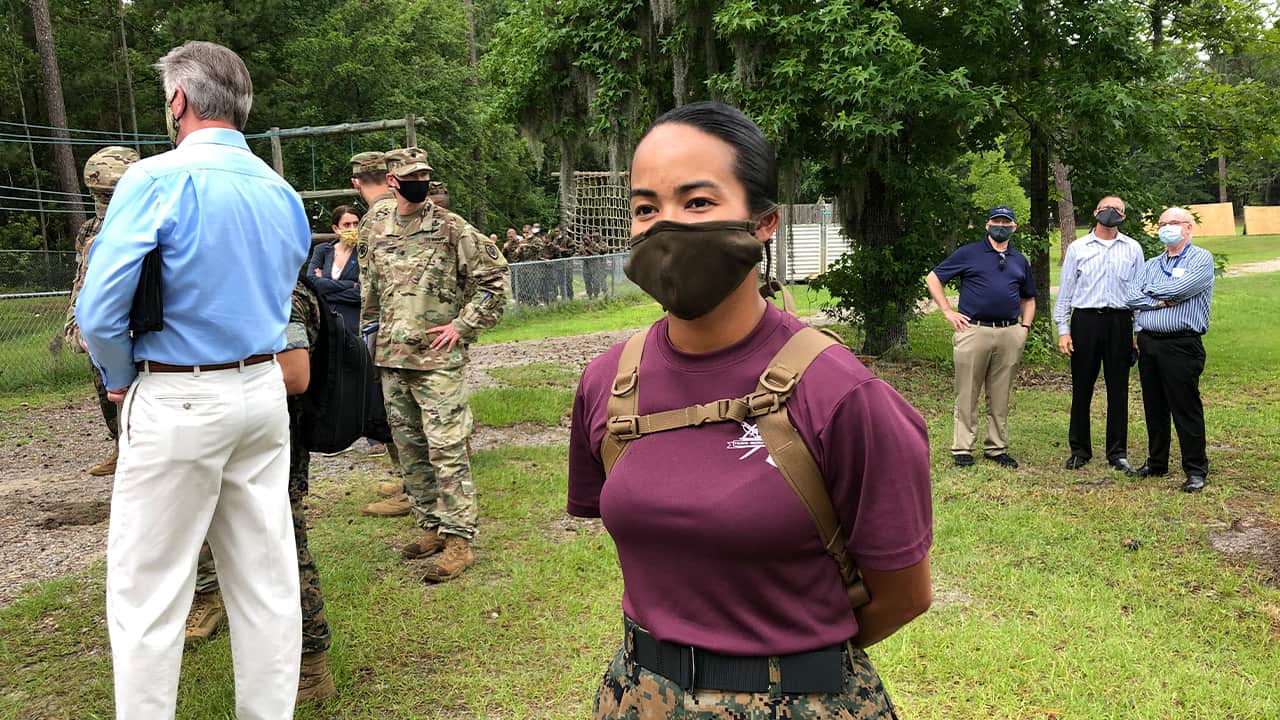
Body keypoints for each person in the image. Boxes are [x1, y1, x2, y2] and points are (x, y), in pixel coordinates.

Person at [568, 101, 931, 719]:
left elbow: (903, 594)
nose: (666, 227)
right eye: (646, 208)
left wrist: (770, 674)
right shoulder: (608, 381)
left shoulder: (841, 394)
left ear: (765, 222)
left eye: (698, 202)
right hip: (636, 697)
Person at [75, 41, 310, 719]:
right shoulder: (280, 191)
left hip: (178, 390)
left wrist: (119, 377)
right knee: (265, 581)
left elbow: (98, 310)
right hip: (261, 391)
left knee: (148, 590)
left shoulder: (154, 179)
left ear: (179, 100)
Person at [361, 147, 509, 581]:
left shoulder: (450, 228)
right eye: (410, 175)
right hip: (393, 357)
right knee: (409, 450)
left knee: (447, 449)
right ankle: (430, 526)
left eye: (424, 175)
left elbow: (493, 281)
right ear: (392, 180)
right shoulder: (376, 230)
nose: (419, 182)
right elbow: (371, 291)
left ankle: (459, 539)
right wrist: (369, 338)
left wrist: (462, 326)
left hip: (438, 361)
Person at [185, 279, 336, 704]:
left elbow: (295, 375)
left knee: (283, 545)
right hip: (226, 435)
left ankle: (310, 666)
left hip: (271, 442)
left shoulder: (276, 289)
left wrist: (217, 389)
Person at [925, 206, 1036, 468]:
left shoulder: (1019, 260)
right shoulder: (970, 253)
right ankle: (963, 447)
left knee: (1000, 394)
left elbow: (1029, 298)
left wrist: (1025, 328)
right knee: (967, 392)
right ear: (987, 225)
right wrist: (947, 311)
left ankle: (996, 448)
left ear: (1014, 227)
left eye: (1006, 222)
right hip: (973, 330)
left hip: (1009, 332)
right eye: (996, 221)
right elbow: (933, 278)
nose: (1001, 226)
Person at [1125, 207, 1216, 493]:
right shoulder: (1152, 263)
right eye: (1162, 224)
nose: (1167, 228)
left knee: (1184, 407)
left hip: (1181, 344)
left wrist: (1151, 293)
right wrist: (1159, 300)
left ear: (1188, 227)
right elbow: (1130, 296)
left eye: (1173, 223)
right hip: (1149, 341)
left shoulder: (1201, 259)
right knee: (1154, 406)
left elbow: (1182, 290)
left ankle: (1195, 468)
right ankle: (1157, 462)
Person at [1054, 195, 1145, 474]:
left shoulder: (1133, 249)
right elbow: (1066, 291)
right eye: (1106, 208)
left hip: (1119, 322)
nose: (1110, 212)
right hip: (1086, 322)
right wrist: (1063, 330)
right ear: (1095, 212)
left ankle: (1117, 452)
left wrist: (1137, 333)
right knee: (1082, 388)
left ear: (1123, 216)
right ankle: (1079, 450)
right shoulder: (1078, 248)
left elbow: (1139, 294)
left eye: (1117, 209)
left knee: (1118, 390)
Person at [63, 145, 138, 477]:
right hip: (100, 327)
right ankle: (121, 448)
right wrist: (75, 327)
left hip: (136, 327)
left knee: (138, 398)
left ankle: (136, 455)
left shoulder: (148, 224)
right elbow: (82, 281)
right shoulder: (90, 229)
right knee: (106, 391)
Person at [307, 205, 362, 332]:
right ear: (336, 228)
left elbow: (361, 293)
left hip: (353, 324)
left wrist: (324, 292)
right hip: (324, 323)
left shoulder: (364, 253)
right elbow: (311, 282)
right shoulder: (322, 251)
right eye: (347, 225)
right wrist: (350, 284)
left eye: (356, 224)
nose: (352, 228)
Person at [580, 231, 609, 299]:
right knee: (589, 280)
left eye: (596, 237)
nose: (595, 238)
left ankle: (603, 292)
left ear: (599, 237)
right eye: (593, 237)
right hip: (589, 265)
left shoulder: (600, 244)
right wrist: (585, 255)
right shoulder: (585, 245)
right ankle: (590, 294)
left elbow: (602, 251)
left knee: (601, 279)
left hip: (601, 264)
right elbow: (580, 253)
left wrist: (591, 251)